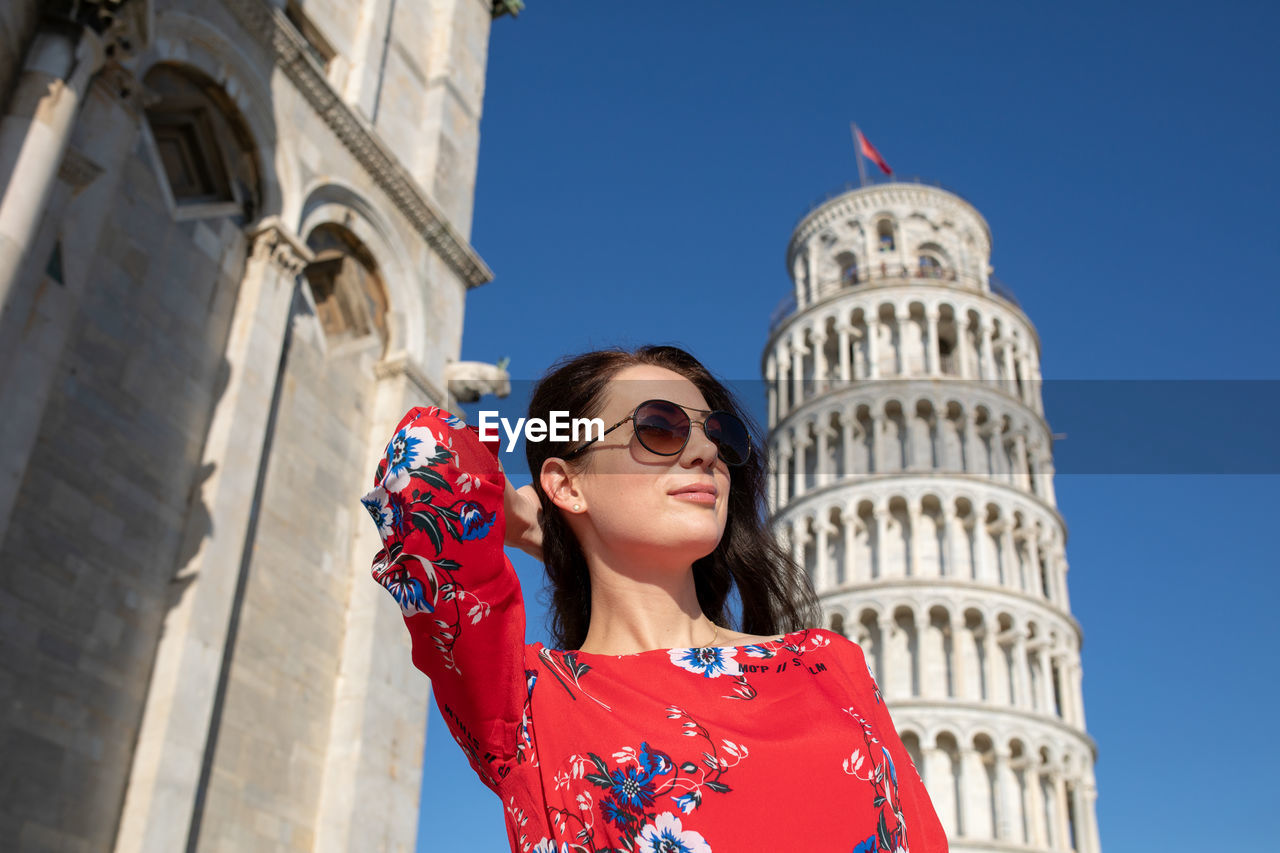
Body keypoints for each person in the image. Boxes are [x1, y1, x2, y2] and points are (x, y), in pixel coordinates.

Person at [362, 345, 948, 852]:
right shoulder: (527, 707)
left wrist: (579, 542)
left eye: (719, 434)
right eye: (660, 427)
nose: (705, 453)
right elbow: (423, 460)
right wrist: (535, 529)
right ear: (565, 484)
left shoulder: (825, 664)